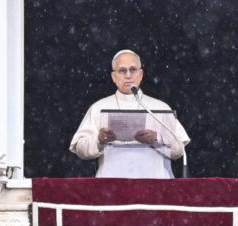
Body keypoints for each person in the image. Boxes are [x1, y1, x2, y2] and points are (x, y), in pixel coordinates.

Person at [69, 50, 191, 178]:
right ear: (113, 77)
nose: (128, 75)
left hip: (155, 188)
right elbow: (80, 149)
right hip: (111, 187)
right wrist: (99, 140)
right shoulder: (98, 108)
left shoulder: (160, 108)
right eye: (122, 70)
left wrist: (157, 139)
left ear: (141, 74)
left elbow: (179, 150)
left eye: (133, 69)